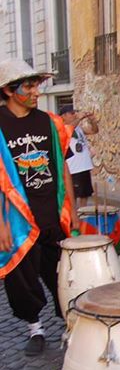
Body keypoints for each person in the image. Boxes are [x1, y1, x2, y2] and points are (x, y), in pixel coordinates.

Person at [0, 58, 79, 355]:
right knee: (21, 279)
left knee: (61, 273)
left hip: (51, 213)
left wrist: (71, 211)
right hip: (17, 219)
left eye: (36, 85)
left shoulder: (49, 122)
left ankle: (70, 323)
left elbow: (64, 168)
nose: (35, 91)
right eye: (28, 85)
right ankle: (34, 327)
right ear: (8, 90)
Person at [60, 105, 99, 208]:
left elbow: (94, 130)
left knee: (84, 194)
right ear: (63, 116)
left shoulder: (78, 128)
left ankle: (83, 216)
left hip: (84, 166)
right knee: (73, 196)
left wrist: (92, 120)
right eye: (72, 113)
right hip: (73, 168)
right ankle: (73, 217)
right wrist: (80, 118)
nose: (74, 115)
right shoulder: (62, 128)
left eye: (75, 112)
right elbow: (69, 129)